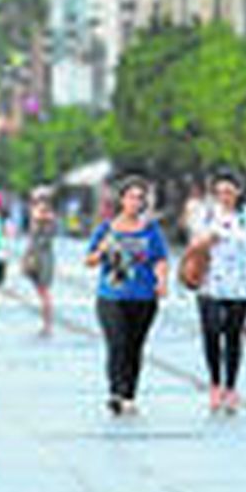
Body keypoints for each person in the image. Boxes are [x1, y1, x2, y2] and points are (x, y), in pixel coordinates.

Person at [86, 177, 168, 416]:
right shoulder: (106, 228)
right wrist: (101, 250)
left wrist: (162, 282)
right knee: (117, 344)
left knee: (134, 346)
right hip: (111, 296)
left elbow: (160, 259)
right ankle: (116, 392)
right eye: (131, 197)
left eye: (140, 198)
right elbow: (90, 260)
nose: (136, 202)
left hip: (143, 296)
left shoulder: (151, 230)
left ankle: (129, 394)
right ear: (122, 200)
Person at [191, 172, 246, 413]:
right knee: (211, 333)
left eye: (229, 192)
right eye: (220, 192)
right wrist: (207, 240)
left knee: (232, 336)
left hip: (240, 285)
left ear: (238, 192)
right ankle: (214, 384)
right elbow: (194, 245)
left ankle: (231, 387)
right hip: (209, 283)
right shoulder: (206, 214)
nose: (224, 197)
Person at [22, 186, 59, 337]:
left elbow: (37, 237)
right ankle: (46, 325)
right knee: (42, 292)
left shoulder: (42, 214)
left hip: (41, 256)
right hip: (41, 254)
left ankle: (47, 325)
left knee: (44, 292)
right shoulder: (46, 214)